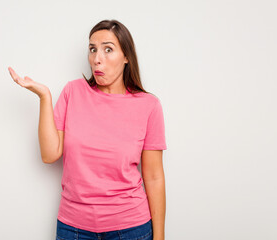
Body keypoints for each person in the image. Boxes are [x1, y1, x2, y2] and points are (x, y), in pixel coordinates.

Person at [8, 19, 167, 240]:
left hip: (130, 228)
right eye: (92, 49)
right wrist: (44, 96)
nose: (96, 58)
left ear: (126, 57)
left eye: (108, 49)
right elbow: (49, 154)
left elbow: (154, 177)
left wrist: (159, 238)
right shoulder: (73, 92)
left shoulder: (148, 106)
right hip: (73, 228)